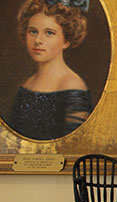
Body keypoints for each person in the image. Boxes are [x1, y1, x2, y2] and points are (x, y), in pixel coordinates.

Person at [7, 0, 92, 141]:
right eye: (33, 32)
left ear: (66, 40)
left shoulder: (71, 85)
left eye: (49, 33)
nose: (38, 40)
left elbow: (74, 144)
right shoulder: (28, 83)